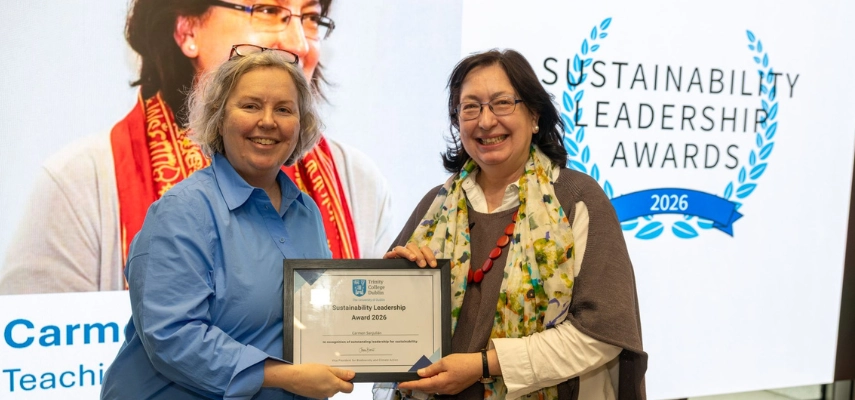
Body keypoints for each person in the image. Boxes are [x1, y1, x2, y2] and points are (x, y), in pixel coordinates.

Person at [0, 0, 392, 294]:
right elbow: (40, 358)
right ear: (187, 29)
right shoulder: (82, 183)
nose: (298, 43)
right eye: (269, 11)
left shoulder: (356, 181)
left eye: (309, 17)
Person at [385, 49, 647, 399]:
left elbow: (600, 335)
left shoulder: (576, 199)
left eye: (502, 103)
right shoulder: (434, 207)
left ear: (535, 115)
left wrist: (485, 365)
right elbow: (390, 329)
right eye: (470, 107)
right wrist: (392, 283)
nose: (485, 121)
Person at [100, 47, 355, 399]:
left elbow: (318, 316)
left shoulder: (306, 211)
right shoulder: (182, 212)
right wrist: (284, 376)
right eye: (250, 106)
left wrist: (398, 279)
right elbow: (173, 336)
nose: (268, 121)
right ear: (219, 119)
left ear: (301, 126)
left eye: (284, 109)